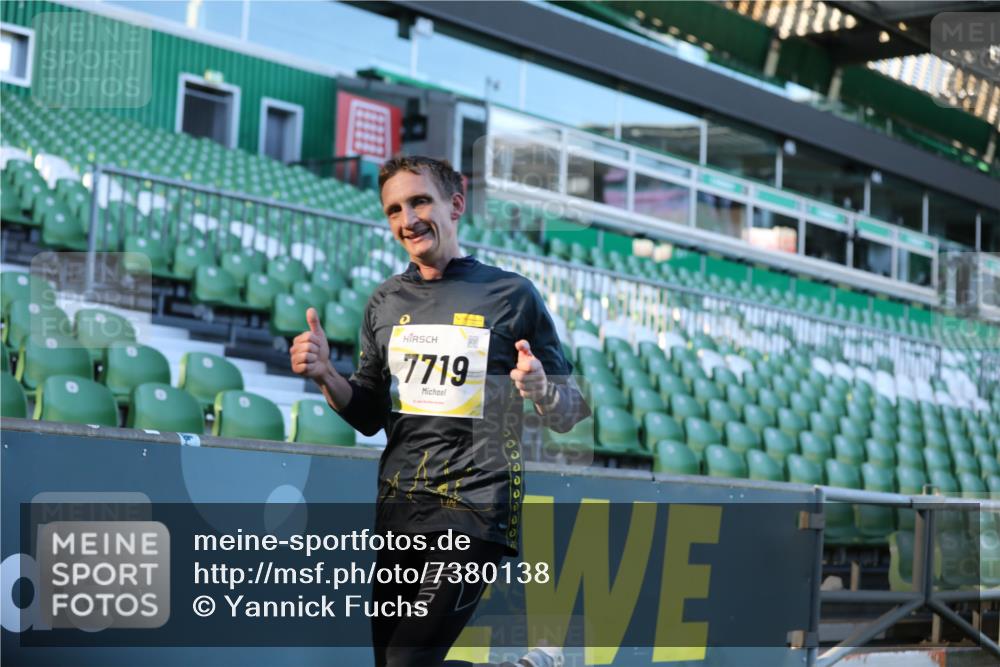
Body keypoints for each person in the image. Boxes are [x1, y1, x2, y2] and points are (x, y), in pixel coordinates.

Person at [289, 156, 590, 667]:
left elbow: (570, 412)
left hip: (477, 503)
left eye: (420, 201)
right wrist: (325, 376)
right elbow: (368, 412)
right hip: (401, 504)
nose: (407, 220)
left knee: (407, 661)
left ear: (455, 204)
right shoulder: (385, 301)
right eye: (394, 210)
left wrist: (540, 389)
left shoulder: (511, 295)